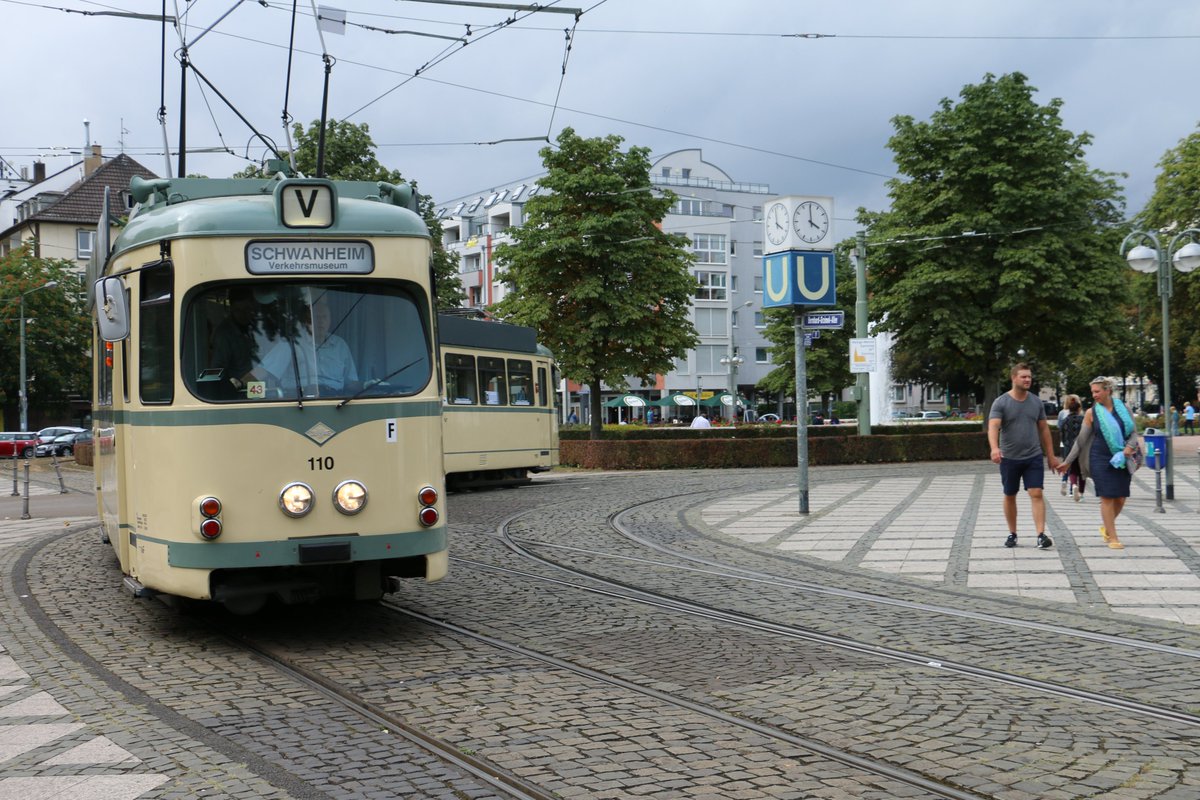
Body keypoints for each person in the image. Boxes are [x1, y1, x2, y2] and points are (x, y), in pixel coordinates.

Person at [1057, 376, 1139, 549]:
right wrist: (1067, 462)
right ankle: (1113, 537)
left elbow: (1133, 433)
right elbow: (1080, 440)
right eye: (1092, 392)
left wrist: (1129, 448)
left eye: (1097, 391)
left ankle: (1106, 526)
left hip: (1122, 458)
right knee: (1107, 497)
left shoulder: (1124, 409)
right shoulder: (1091, 413)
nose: (1094, 395)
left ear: (1107, 390)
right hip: (1099, 458)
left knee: (1121, 498)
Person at [988, 363, 1059, 549]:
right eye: (1023, 376)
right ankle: (1012, 533)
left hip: (1033, 456)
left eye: (1029, 376)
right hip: (1009, 457)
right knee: (1010, 494)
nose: (1028, 379)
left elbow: (1044, 430)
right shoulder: (1001, 402)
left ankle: (1041, 535)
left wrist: (1050, 455)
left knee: (1036, 492)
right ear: (1014, 378)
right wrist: (995, 448)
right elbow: (993, 426)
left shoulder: (1036, 402)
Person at [257, 297, 358, 396]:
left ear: (330, 319)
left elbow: (350, 383)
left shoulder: (340, 345)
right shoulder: (291, 343)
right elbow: (264, 371)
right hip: (300, 402)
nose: (321, 322)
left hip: (337, 403)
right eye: (316, 317)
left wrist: (369, 384)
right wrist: (241, 384)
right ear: (306, 321)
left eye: (324, 317)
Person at [206, 288, 265, 399]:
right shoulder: (224, 335)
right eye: (238, 310)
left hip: (261, 388)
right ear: (231, 308)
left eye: (247, 309)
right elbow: (217, 369)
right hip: (240, 394)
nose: (243, 314)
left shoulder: (255, 327)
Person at [1057, 394, 1086, 501]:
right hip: (1082, 448)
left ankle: (1073, 485)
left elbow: (1062, 435)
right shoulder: (1083, 419)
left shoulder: (1065, 421)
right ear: (1079, 409)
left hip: (1069, 448)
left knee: (1072, 469)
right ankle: (1081, 494)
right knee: (1082, 472)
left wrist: (1066, 444)